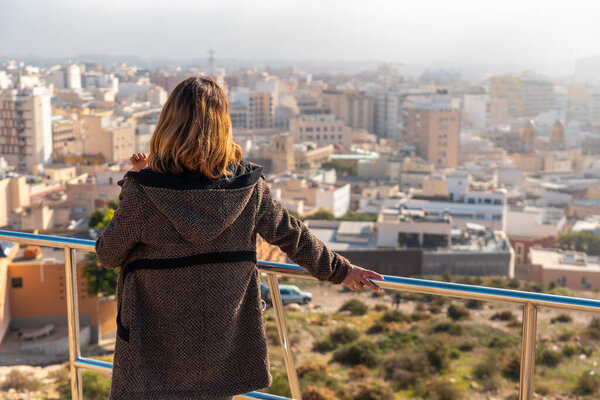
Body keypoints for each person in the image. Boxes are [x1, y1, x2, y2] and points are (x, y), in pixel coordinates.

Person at [95, 76, 385, 400]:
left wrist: (132, 185)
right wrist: (342, 271)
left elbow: (108, 253)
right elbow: (292, 235)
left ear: (169, 124)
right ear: (222, 126)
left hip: (154, 342)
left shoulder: (144, 192)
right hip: (220, 344)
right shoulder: (247, 189)